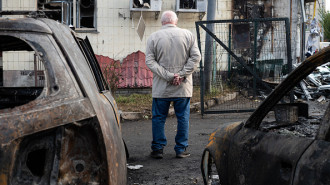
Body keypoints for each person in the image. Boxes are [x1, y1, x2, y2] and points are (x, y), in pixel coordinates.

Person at [145, 10, 201, 159]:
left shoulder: (153, 37)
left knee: (158, 117)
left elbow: (150, 61)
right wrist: (181, 75)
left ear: (162, 22)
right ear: (175, 21)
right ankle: (181, 149)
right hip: (182, 87)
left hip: (161, 87)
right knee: (182, 117)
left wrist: (168, 76)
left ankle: (157, 149)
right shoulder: (188, 35)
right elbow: (196, 57)